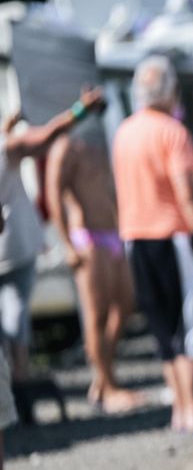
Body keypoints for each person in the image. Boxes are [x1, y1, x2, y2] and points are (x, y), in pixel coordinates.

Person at [112, 56, 193, 433]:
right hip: (172, 235)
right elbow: (187, 195)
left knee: (162, 328)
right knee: (190, 324)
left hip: (135, 237)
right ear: (170, 90)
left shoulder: (124, 132)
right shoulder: (172, 131)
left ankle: (180, 408)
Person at [1, 88, 106, 410]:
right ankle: (18, 379)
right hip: (15, 247)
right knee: (16, 315)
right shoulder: (8, 147)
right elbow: (49, 135)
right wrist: (80, 110)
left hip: (11, 246)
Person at [45, 108, 145, 412]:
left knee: (126, 304)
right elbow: (53, 195)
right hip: (87, 237)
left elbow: (110, 192)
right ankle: (107, 384)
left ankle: (103, 380)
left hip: (111, 235)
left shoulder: (97, 146)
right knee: (96, 314)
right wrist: (67, 245)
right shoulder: (64, 147)